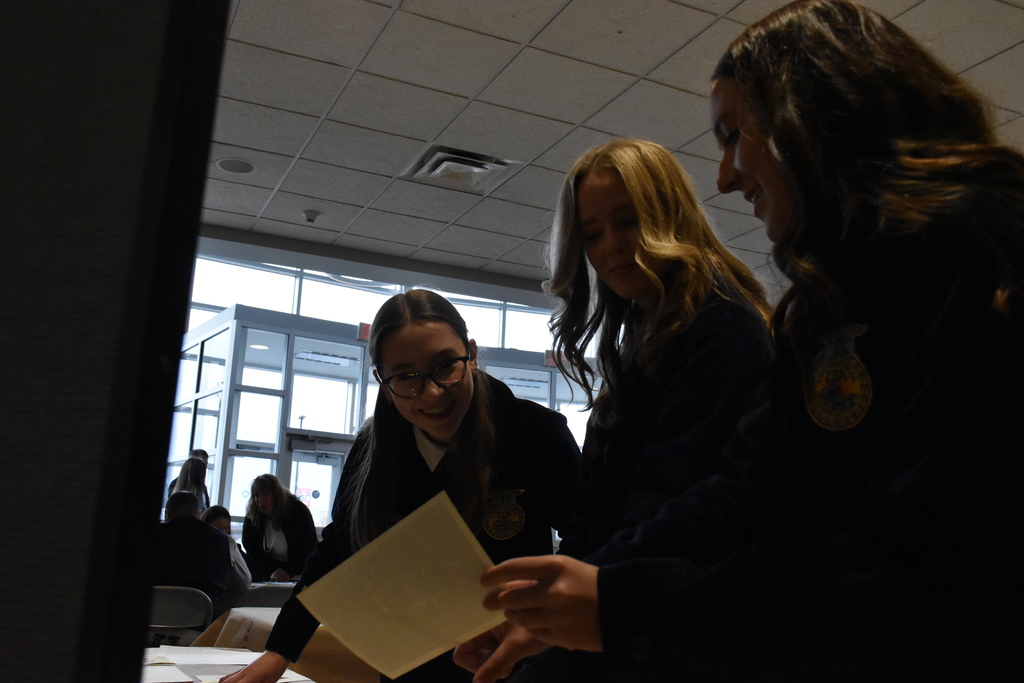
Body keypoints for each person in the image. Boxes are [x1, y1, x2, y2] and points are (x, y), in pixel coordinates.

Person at [456, 1, 1024, 681]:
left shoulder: (980, 257)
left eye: (734, 135)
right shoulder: (825, 301)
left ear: (810, 118)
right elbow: (743, 495)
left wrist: (622, 607)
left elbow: (926, 570)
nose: (725, 176)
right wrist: (569, 597)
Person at [220, 289, 581, 683]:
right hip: (413, 663)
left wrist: (547, 617)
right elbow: (337, 552)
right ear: (383, 381)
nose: (431, 392)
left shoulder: (537, 435)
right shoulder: (373, 452)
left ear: (472, 355)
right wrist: (279, 653)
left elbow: (590, 542)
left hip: (520, 659)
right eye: (406, 377)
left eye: (446, 366)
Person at [548, 138, 772, 559]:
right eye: (591, 235)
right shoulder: (645, 341)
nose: (610, 245)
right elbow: (594, 511)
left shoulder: (722, 332)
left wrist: (585, 593)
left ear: (671, 215)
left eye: (629, 220)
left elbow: (671, 506)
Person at [156, 491, 231, 616]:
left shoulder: (157, 535)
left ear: (167, 513)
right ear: (199, 515)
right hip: (204, 621)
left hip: (156, 617)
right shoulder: (219, 539)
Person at [241, 473, 318, 583]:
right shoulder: (252, 516)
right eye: (256, 495)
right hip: (269, 574)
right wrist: (271, 571)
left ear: (276, 495)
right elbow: (252, 551)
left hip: (300, 572)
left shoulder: (298, 511)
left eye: (265, 494)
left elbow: (308, 547)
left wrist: (288, 572)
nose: (260, 501)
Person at [202, 505, 252, 612]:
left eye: (226, 528)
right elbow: (243, 582)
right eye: (218, 529)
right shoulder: (226, 543)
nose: (223, 533)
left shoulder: (231, 546)